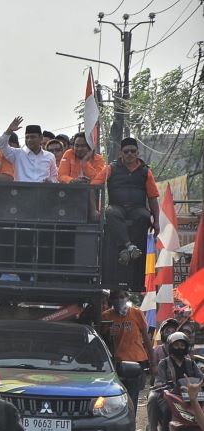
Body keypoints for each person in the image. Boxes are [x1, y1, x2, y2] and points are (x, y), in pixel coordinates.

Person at [92, 137, 160, 265]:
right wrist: (95, 209)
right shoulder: (111, 168)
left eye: (133, 151)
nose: (130, 154)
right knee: (110, 212)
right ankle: (130, 246)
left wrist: (156, 221)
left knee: (145, 216)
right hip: (117, 207)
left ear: (137, 153)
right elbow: (94, 185)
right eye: (126, 151)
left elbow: (152, 197)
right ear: (120, 153)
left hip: (137, 208)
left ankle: (126, 250)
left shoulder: (146, 171)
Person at [146, 332, 204, 431]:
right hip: (170, 395)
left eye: (182, 345)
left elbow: (200, 377)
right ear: (170, 346)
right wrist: (162, 385)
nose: (179, 348)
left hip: (189, 396)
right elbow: (159, 379)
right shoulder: (164, 363)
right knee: (167, 409)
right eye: (176, 345)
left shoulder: (191, 363)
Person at [103, 290, 154, 411]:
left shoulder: (137, 313)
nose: (119, 300)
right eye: (116, 297)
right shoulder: (106, 316)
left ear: (127, 297)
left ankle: (131, 425)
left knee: (132, 397)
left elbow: (146, 338)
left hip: (136, 362)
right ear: (111, 300)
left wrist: (153, 363)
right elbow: (101, 339)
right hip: (116, 363)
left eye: (122, 296)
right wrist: (108, 334)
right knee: (115, 397)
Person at [0, 117, 58, 183]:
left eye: (32, 137)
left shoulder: (50, 156)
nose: (29, 140)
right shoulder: (17, 154)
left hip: (42, 192)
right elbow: (1, 145)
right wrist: (9, 130)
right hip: (22, 191)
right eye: (27, 137)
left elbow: (54, 177)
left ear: (41, 138)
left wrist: (50, 180)